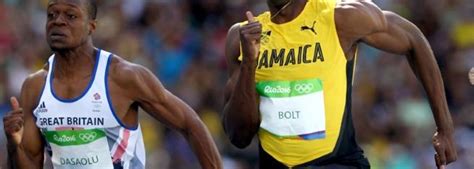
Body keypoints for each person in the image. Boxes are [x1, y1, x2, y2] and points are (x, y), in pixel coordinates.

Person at [222, 0, 457, 168]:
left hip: (336, 161)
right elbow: (238, 136)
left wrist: (445, 127)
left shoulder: (339, 16)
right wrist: (249, 64)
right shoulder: (242, 37)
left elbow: (413, 39)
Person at [2, 0, 222, 169]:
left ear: (91, 27)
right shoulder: (35, 86)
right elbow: (30, 162)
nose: (58, 21)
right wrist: (13, 144)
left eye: (70, 15)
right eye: (52, 14)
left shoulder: (123, 76)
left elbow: (190, 124)